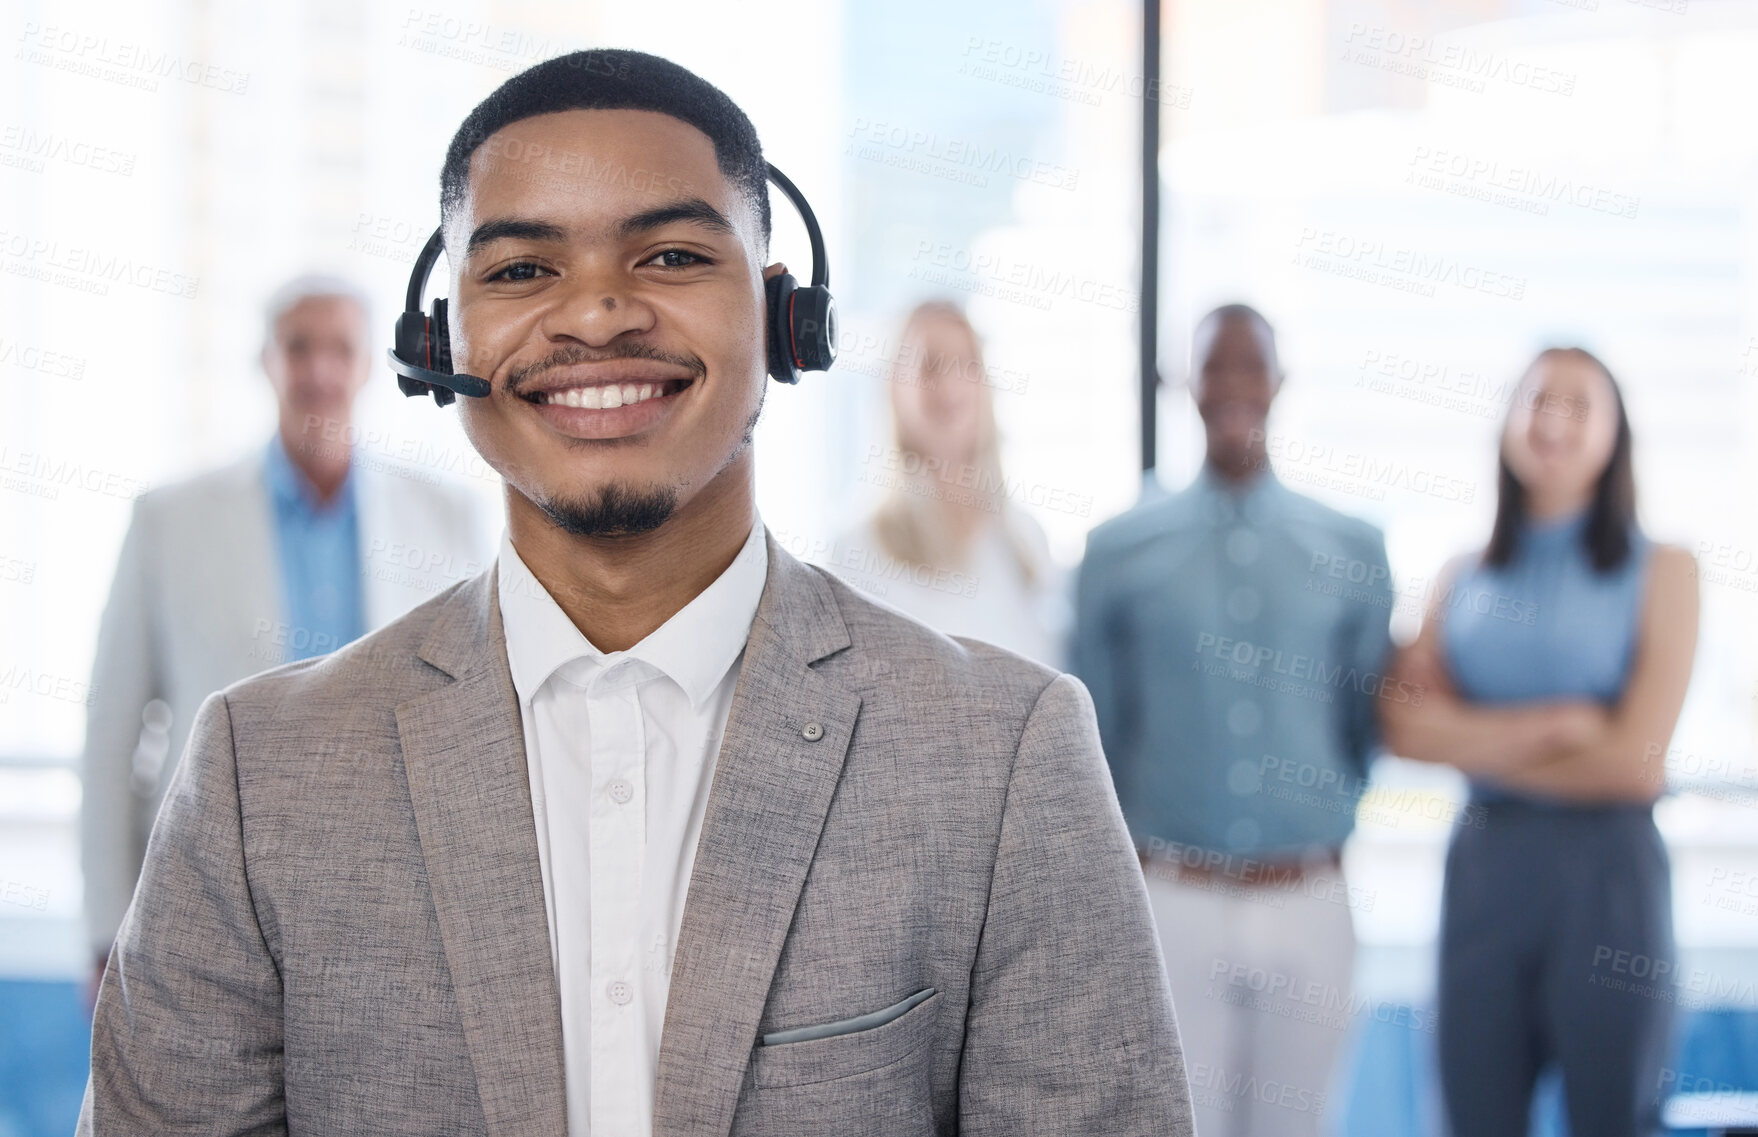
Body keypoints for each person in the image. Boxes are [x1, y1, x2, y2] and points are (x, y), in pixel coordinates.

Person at [78, 49, 1191, 1137]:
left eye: (668, 257)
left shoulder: (1007, 755)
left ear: (784, 321)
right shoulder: (255, 773)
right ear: (439, 342)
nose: (598, 314)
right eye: (521, 270)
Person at [79, 274, 487, 1005]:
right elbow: (111, 734)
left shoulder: (449, 515)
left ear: (370, 364)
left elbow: (480, 717)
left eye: (341, 348)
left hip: (397, 900)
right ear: (266, 360)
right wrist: (107, 929)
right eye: (299, 346)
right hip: (205, 898)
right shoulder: (169, 520)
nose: (319, 369)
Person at [1071, 303, 1392, 1137]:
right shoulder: (1116, 552)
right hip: (1171, 898)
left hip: (1309, 892)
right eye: (1216, 366)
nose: (1235, 386)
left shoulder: (1353, 550)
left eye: (1253, 367)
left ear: (1281, 383)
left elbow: (1363, 725)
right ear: (1186, 380)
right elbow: (1096, 735)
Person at [1381, 347, 1698, 1137]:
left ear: (1615, 433)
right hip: (1485, 870)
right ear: (1508, 421)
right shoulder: (1462, 574)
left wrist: (1473, 740)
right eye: (1537, 400)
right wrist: (1560, 725)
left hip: (1610, 880)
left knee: (1614, 1115)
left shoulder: (1665, 570)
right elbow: (1403, 725)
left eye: (1579, 404)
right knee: (1473, 1113)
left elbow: (1636, 762)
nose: (1553, 421)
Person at [832, 299, 1066, 667]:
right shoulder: (857, 552)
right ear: (894, 387)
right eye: (931, 364)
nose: (951, 384)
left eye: (967, 363)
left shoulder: (1026, 541)